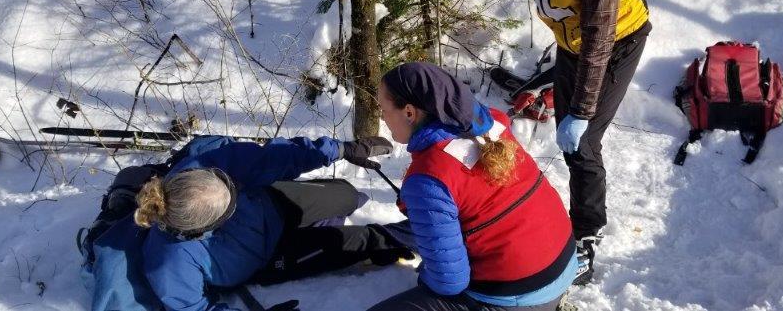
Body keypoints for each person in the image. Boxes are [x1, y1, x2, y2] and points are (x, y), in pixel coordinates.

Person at [504, 0, 651, 285]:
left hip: (617, 40)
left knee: (582, 139)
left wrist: (583, 109)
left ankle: (587, 235)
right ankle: (571, 216)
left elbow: (599, 39)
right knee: (569, 141)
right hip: (573, 45)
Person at [367, 62, 578, 311]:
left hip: (517, 293)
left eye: (383, 108)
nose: (382, 116)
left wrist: (428, 274)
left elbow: (448, 283)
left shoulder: (429, 177)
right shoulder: (493, 124)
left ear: (409, 112)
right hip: (562, 261)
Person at [133, 134, 410, 311]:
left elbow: (270, 158)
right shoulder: (168, 262)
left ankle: (326, 219)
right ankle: (398, 239)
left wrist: (341, 149)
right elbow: (193, 309)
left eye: (231, 187)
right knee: (360, 241)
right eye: (230, 206)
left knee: (348, 194)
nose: (234, 193)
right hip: (266, 259)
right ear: (206, 229)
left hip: (271, 204)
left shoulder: (204, 167)